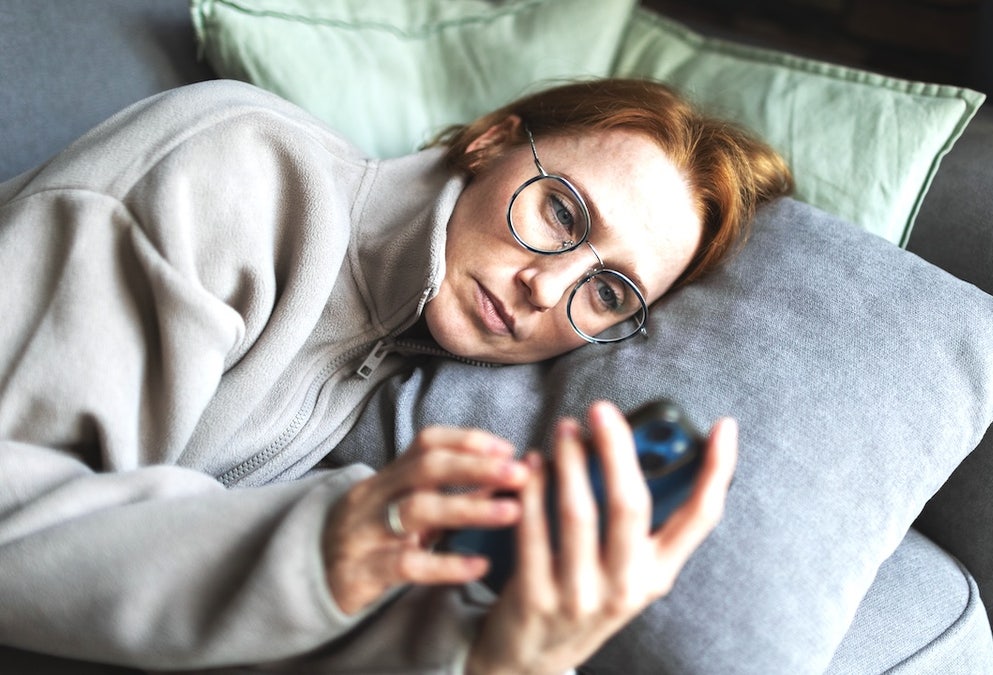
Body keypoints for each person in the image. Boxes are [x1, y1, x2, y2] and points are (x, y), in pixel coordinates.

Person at [0, 77, 792, 673]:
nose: (547, 290)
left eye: (608, 291)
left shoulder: (394, 373)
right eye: (561, 212)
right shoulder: (234, 166)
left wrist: (502, 657)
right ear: (489, 141)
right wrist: (315, 551)